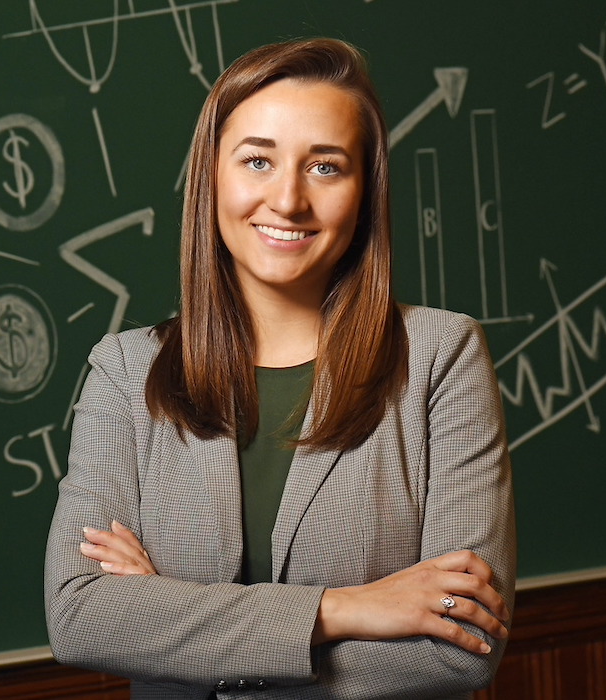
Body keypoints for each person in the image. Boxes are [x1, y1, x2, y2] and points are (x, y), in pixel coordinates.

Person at [44, 38, 515, 700]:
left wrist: (172, 627)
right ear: (211, 177)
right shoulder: (126, 372)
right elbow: (78, 617)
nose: (288, 200)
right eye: (257, 160)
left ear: (365, 190)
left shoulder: (443, 357)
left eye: (325, 167)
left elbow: (461, 649)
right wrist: (342, 610)